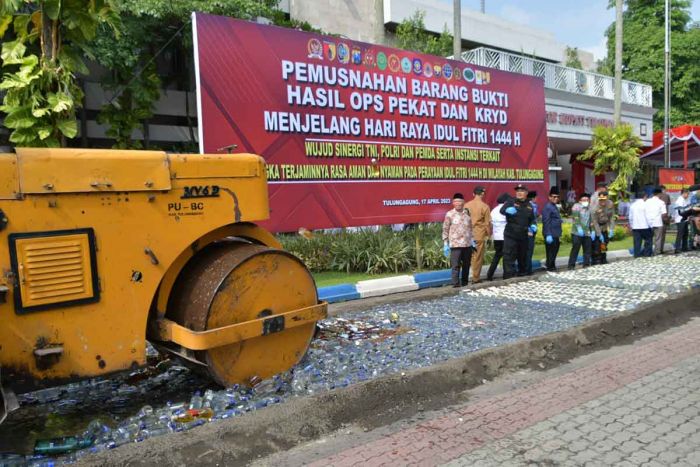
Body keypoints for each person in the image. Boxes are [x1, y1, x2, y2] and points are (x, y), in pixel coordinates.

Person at [500, 184, 536, 279]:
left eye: (522, 191)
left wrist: (533, 225)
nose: (519, 193)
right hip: (511, 234)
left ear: (526, 193)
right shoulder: (511, 201)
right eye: (518, 191)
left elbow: (532, 219)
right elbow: (502, 210)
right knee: (509, 256)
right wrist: (507, 210)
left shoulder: (529, 205)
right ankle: (508, 276)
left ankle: (522, 275)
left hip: (523, 235)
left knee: (522, 256)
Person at [442, 193, 475, 287]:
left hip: (467, 244)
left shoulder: (467, 213)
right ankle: (455, 284)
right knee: (455, 266)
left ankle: (465, 283)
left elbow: (470, 227)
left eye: (460, 201)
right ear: (453, 203)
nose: (458, 203)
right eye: (456, 201)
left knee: (466, 265)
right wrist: (445, 243)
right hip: (455, 244)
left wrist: (473, 240)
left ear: (463, 202)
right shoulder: (449, 214)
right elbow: (445, 229)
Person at [465, 186, 492, 284]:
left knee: (469, 256)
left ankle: (466, 276)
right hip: (478, 234)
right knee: (477, 257)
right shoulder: (485, 206)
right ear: (483, 194)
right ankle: (475, 278)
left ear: (473, 194)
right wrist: (489, 236)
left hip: (467, 234)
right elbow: (487, 224)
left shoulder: (466, 205)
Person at [487, 193, 510, 281]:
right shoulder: (505, 210)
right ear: (505, 202)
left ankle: (489, 275)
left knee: (497, 256)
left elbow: (491, 223)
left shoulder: (493, 210)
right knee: (506, 257)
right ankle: (506, 275)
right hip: (505, 237)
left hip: (496, 237)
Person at [568, 193, 594, 269]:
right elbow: (576, 219)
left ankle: (586, 265)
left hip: (587, 232)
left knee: (587, 250)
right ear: (580, 201)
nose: (586, 201)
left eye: (587, 200)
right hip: (577, 232)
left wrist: (592, 231)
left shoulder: (590, 208)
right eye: (584, 200)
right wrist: (579, 228)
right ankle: (571, 265)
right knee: (575, 249)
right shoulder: (576, 207)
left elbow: (591, 221)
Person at [541, 187, 563, 271]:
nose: (556, 198)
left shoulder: (553, 206)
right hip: (551, 233)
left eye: (557, 197)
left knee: (554, 251)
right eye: (554, 197)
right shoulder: (548, 207)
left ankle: (552, 266)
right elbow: (546, 221)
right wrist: (548, 234)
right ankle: (550, 267)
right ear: (549, 197)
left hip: (555, 233)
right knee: (551, 252)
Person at [591, 191, 615, 265]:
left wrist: (611, 228)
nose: (602, 201)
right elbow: (594, 222)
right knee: (597, 245)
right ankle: (596, 260)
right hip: (596, 227)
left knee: (604, 243)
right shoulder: (595, 207)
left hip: (604, 227)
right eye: (600, 199)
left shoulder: (610, 204)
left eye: (604, 199)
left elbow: (612, 217)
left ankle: (603, 258)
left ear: (607, 198)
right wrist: (599, 233)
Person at [629, 192, 653, 257]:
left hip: (636, 226)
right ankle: (647, 253)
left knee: (637, 242)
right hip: (645, 226)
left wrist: (631, 225)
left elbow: (630, 217)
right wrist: (651, 225)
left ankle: (636, 254)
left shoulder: (633, 205)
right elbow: (648, 216)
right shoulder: (646, 205)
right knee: (648, 240)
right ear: (645, 197)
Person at [646, 188, 666, 255]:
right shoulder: (661, 202)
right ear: (659, 194)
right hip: (658, 222)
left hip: (648, 223)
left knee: (649, 238)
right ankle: (656, 252)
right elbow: (664, 214)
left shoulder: (647, 201)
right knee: (658, 238)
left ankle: (648, 252)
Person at [524, 191, 539, 275]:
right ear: (533, 198)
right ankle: (528, 270)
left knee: (528, 250)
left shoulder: (532, 205)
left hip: (531, 229)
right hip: (529, 230)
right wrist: (530, 229)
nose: (537, 199)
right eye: (536, 197)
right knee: (529, 250)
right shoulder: (530, 206)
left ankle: (528, 269)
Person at [674, 188, 691, 253]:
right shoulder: (680, 200)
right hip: (680, 219)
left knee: (685, 234)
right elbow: (681, 211)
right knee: (680, 234)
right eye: (687, 194)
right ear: (684, 193)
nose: (688, 195)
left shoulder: (684, 200)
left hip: (685, 219)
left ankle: (684, 247)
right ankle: (677, 248)